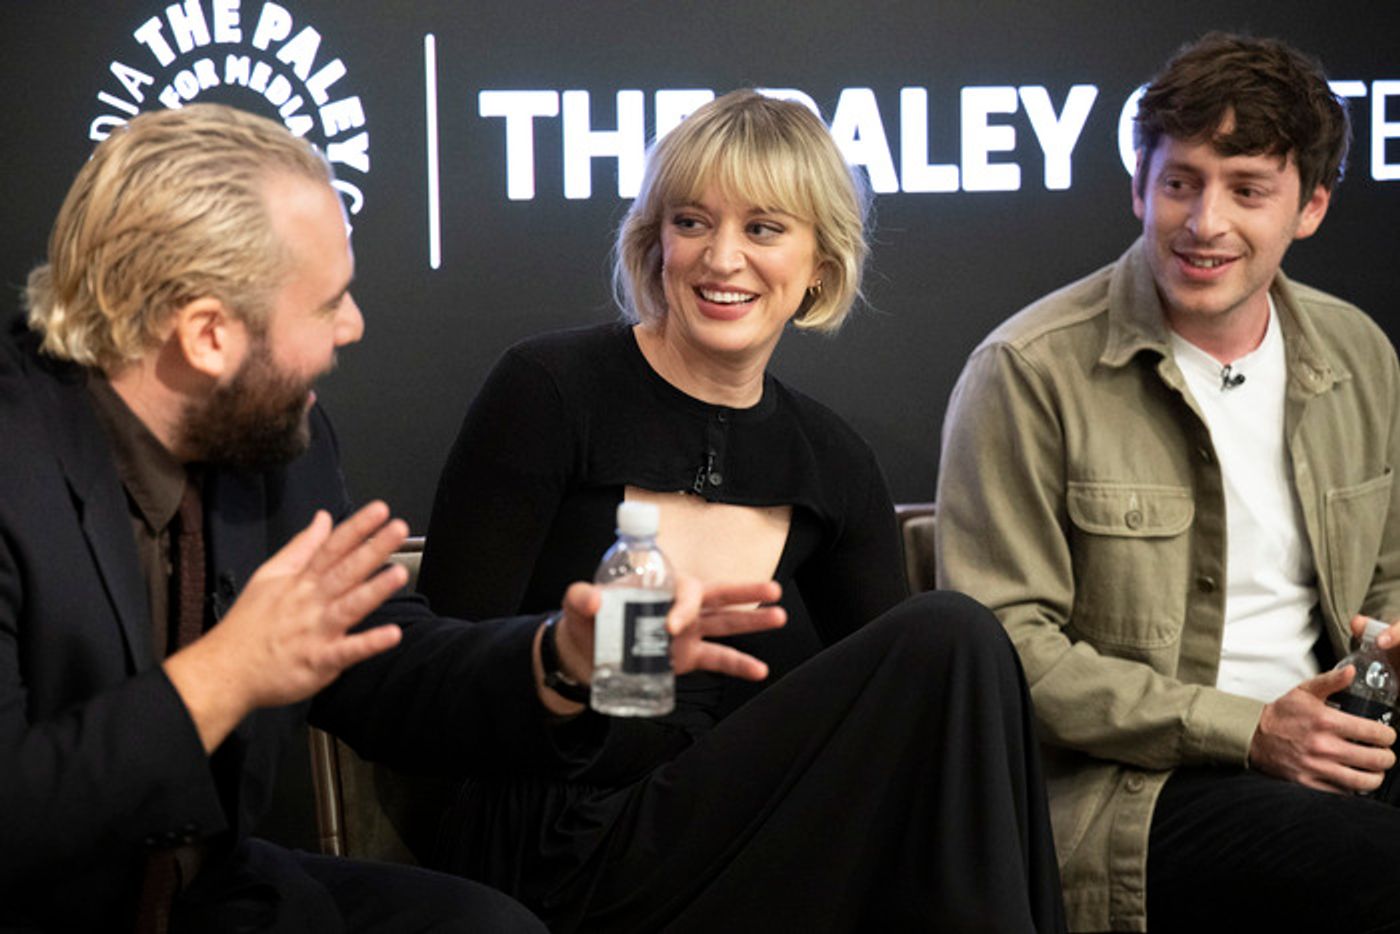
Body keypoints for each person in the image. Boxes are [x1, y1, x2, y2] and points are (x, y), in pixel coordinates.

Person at [0, 102, 786, 933]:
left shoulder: (271, 431)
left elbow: (384, 658)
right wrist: (225, 674)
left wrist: (560, 660)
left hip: (206, 891)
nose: (353, 325)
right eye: (326, 304)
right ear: (206, 334)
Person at [416, 90, 1066, 932]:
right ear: (656, 246)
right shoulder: (550, 391)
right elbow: (434, 676)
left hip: (751, 844)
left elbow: (911, 718)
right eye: (692, 222)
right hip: (557, 839)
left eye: (763, 229)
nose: (722, 259)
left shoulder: (831, 461)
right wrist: (586, 662)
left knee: (959, 645)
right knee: (951, 632)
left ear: (820, 265)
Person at [936, 32, 1400, 933]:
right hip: (1145, 790)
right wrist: (1250, 729)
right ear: (1138, 186)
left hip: (1341, 735)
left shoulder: (1359, 353)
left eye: (1247, 190)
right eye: (1180, 181)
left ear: (1310, 207)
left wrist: (1386, 647)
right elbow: (1006, 650)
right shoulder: (1029, 370)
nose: (1204, 222)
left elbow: (1388, 571)